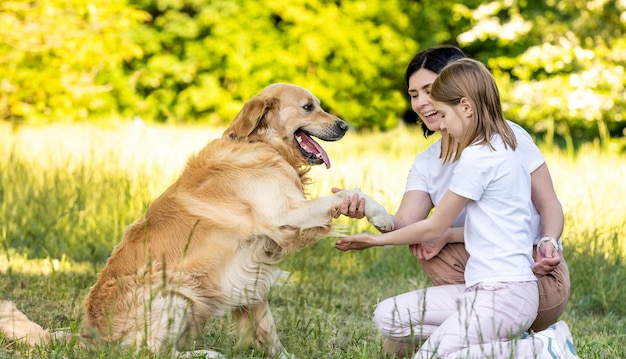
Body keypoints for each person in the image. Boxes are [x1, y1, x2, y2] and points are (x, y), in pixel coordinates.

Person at [333, 45, 574, 357]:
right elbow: (410, 223)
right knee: (393, 323)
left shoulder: (494, 146)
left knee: (429, 353)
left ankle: (537, 348)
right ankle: (494, 340)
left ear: (462, 99)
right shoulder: (455, 154)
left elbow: (435, 224)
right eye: (413, 93)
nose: (422, 103)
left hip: (527, 277)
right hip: (481, 285)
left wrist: (548, 240)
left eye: (430, 92)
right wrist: (372, 210)